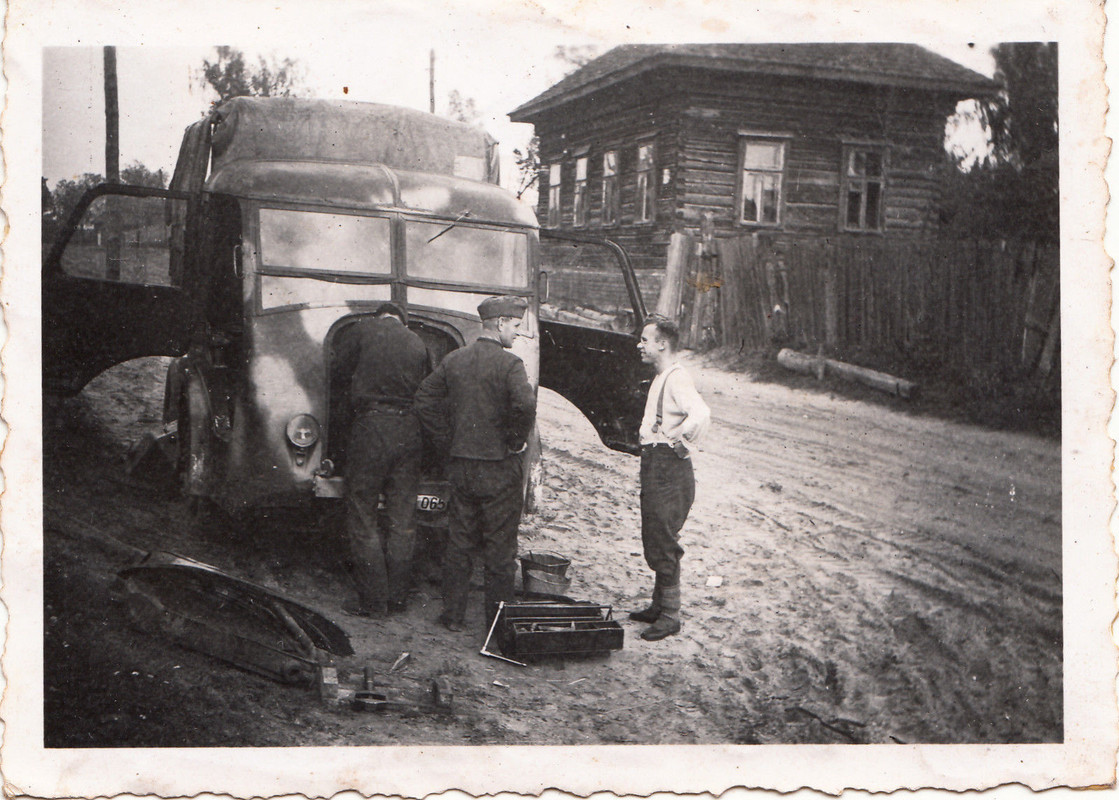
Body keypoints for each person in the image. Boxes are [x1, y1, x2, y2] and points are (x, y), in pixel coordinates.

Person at [414, 295, 536, 632]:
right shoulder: (510, 365)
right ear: (499, 324)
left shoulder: (455, 360)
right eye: (514, 325)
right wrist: (515, 440)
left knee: (459, 541)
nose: (516, 333)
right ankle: (497, 628)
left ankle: (452, 616)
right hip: (499, 468)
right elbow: (525, 405)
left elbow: (424, 398)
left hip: (462, 466)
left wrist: (447, 441)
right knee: (499, 550)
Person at [332, 301, 430, 617]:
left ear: (379, 316)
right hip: (408, 429)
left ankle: (373, 601)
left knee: (363, 513)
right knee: (403, 518)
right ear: (402, 320)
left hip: (371, 427)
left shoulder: (363, 330)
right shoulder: (417, 341)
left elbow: (337, 372)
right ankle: (398, 598)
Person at [630, 316, 711, 641]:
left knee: (663, 538)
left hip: (669, 468)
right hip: (655, 464)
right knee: (654, 532)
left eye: (645, 340)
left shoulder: (677, 378)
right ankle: (658, 604)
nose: (640, 345)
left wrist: (681, 442)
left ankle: (670, 615)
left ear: (662, 344)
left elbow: (702, 414)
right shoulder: (662, 377)